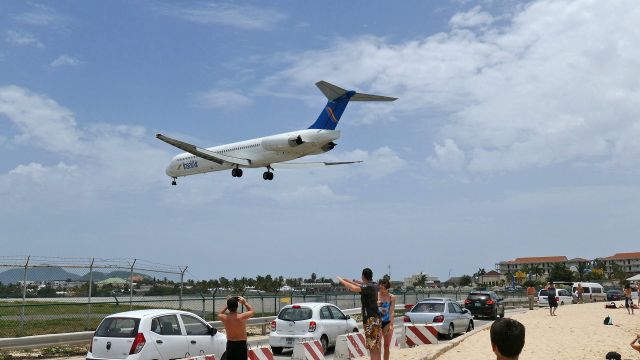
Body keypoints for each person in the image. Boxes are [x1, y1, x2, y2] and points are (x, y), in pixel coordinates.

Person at [337, 268, 381, 360]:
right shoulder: (374, 285)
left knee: (372, 346)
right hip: (375, 318)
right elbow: (359, 285)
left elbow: (355, 288)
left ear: (363, 276)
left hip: (370, 319)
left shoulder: (368, 287)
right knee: (376, 344)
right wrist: (348, 281)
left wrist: (341, 281)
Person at [377, 279, 396, 360]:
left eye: (383, 288)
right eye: (380, 287)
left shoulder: (392, 297)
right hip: (377, 322)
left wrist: (391, 325)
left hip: (387, 322)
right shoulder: (376, 295)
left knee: (387, 346)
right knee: (378, 345)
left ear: (387, 288)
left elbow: (392, 311)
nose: (381, 290)